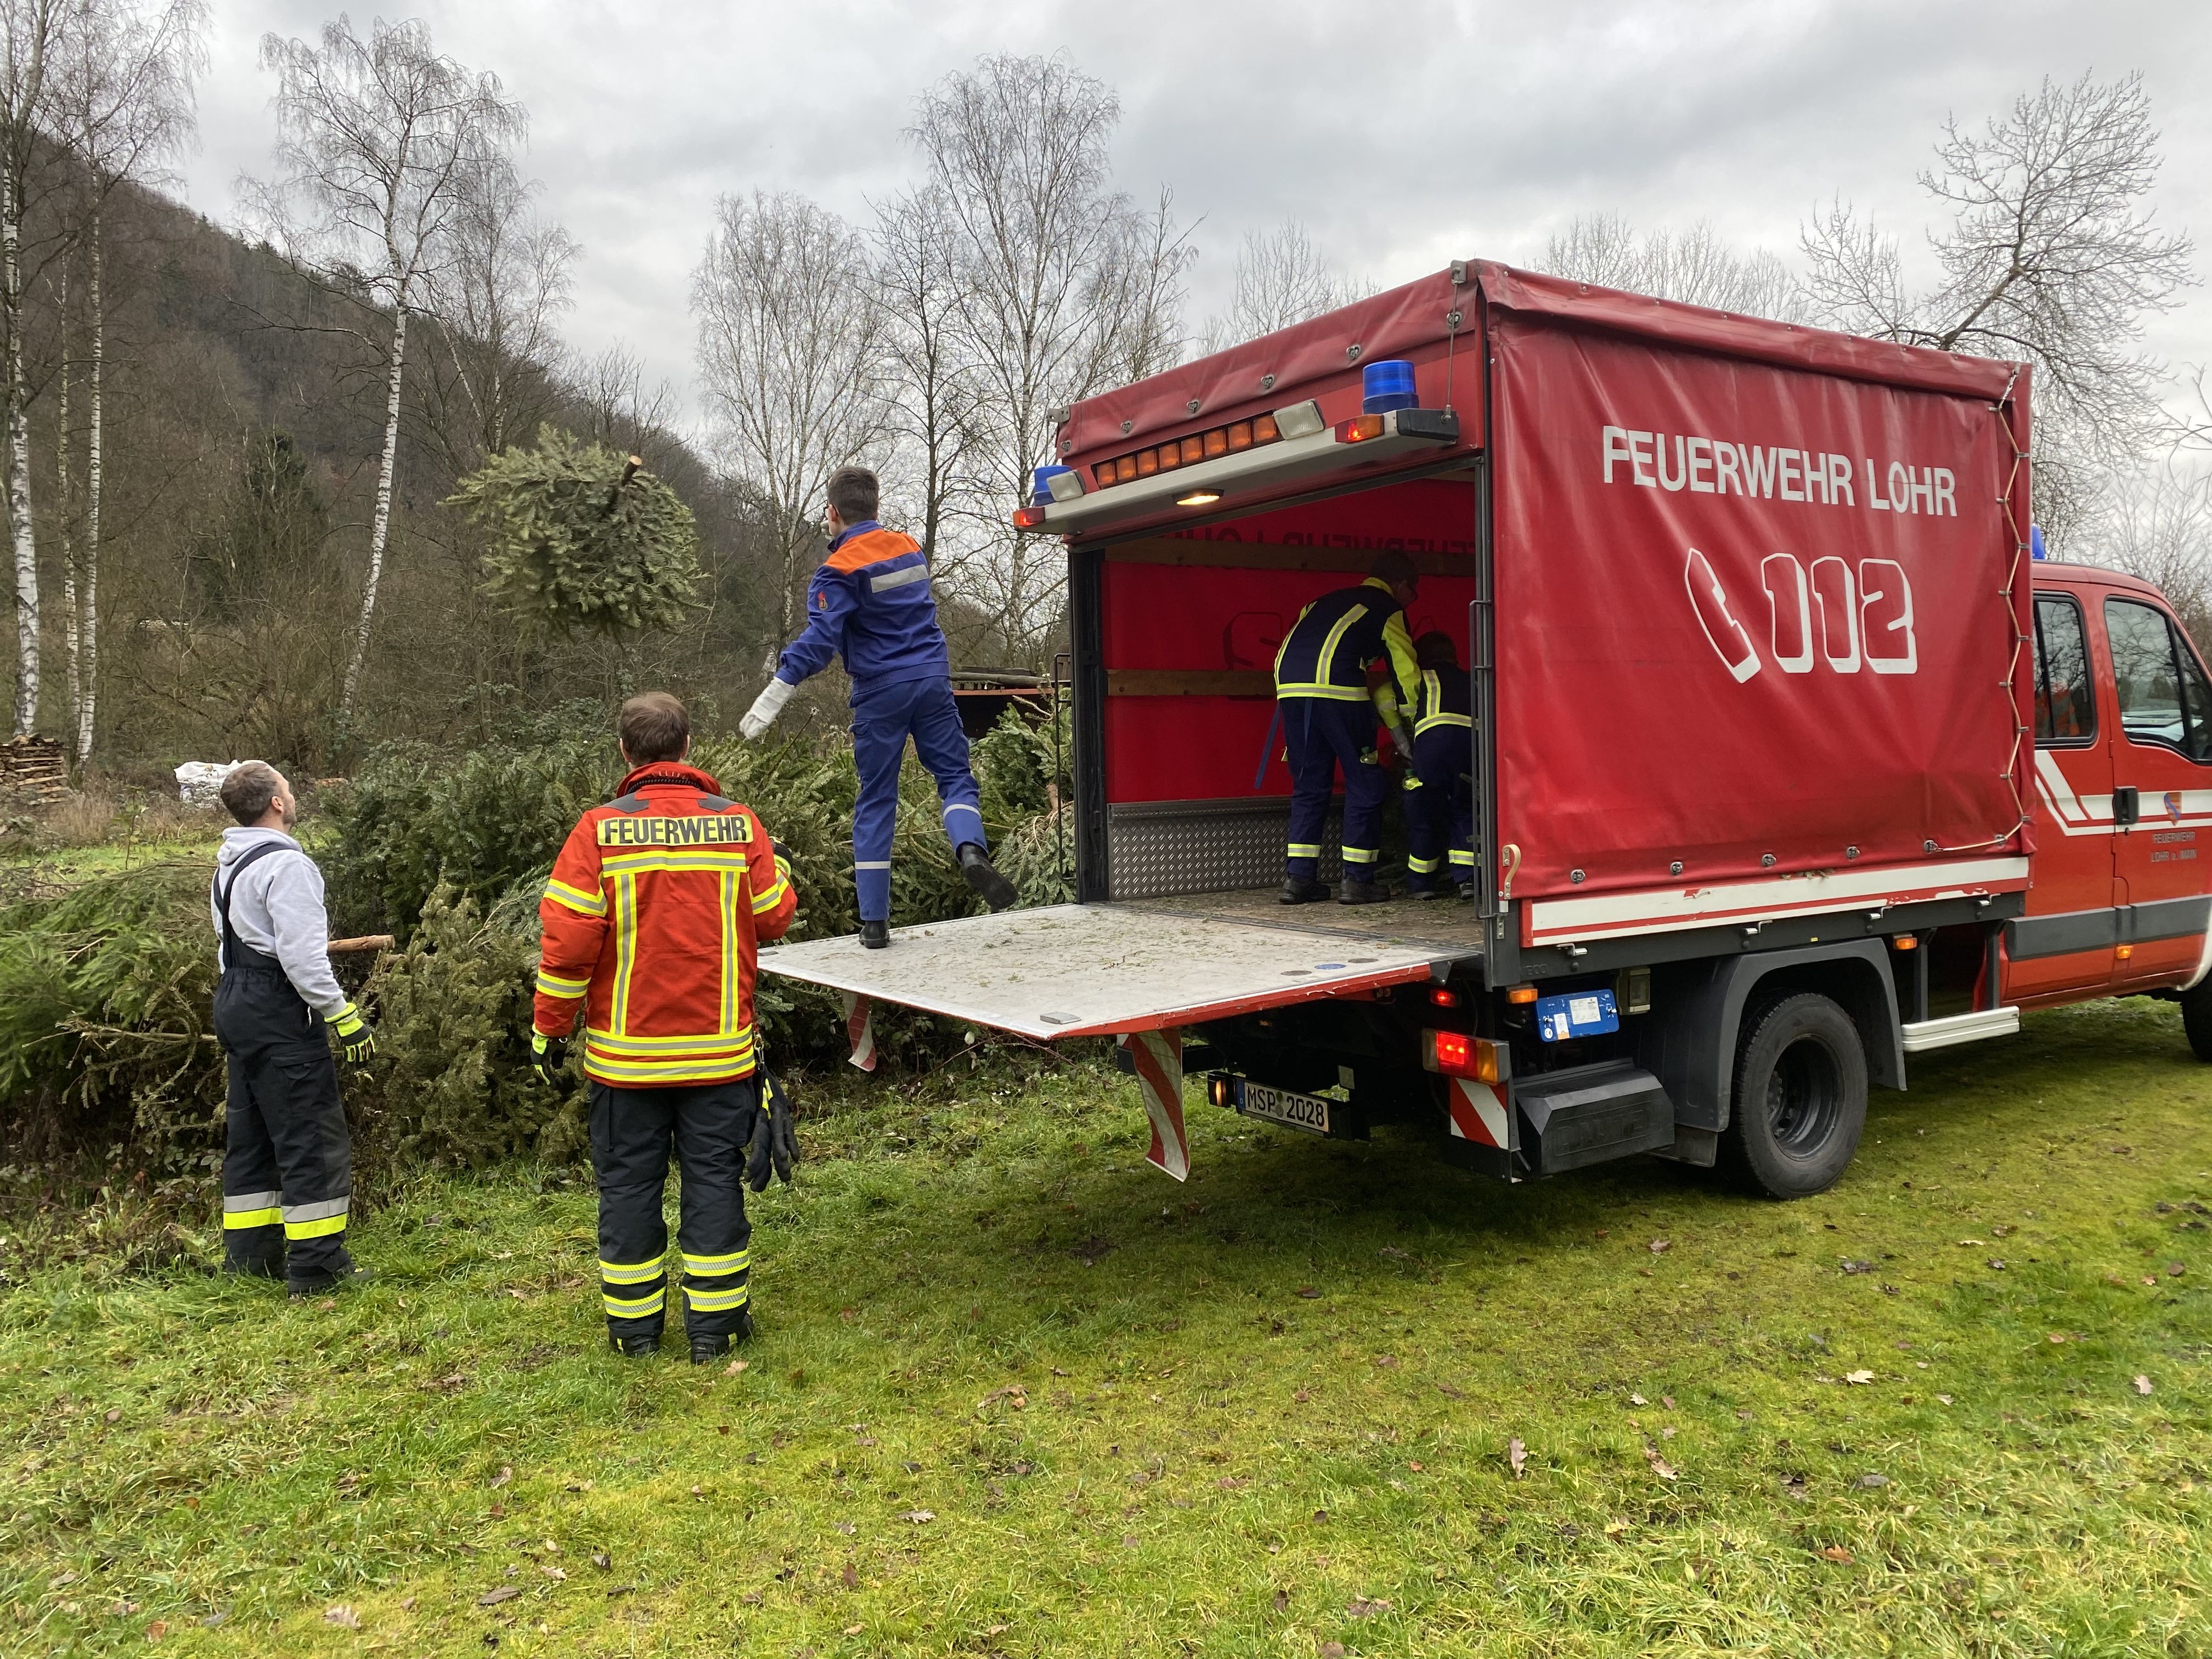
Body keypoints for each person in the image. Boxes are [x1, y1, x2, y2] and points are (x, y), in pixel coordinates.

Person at [531, 692, 800, 1363]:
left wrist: (550, 1029)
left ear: (626, 752)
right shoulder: (737, 824)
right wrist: (781, 870)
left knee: (627, 1187)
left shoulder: (597, 831)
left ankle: (634, 1334)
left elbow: (567, 948)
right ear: (687, 747)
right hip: (720, 1057)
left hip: (626, 1064)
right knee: (714, 1183)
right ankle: (715, 1330)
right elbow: (773, 916)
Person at [738, 465, 1015, 949]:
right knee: (954, 776)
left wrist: (779, 687)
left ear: (832, 512)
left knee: (877, 799)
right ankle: (971, 851)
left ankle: (874, 924)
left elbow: (821, 641)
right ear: (876, 505)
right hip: (931, 679)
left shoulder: (838, 569)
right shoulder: (909, 548)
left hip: (880, 690)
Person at [211, 761, 374, 1295]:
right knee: (310, 1136)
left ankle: (251, 1260)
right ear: (277, 803)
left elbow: (230, 945)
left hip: (235, 1000)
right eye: (288, 786)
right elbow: (302, 958)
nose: (293, 792)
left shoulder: (230, 864)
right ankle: (317, 1267)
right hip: (277, 1006)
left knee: (253, 1136)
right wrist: (343, 1016)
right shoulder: (288, 866)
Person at [1273, 550, 1425, 905]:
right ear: (1401, 585)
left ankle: (1299, 880)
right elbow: (1406, 672)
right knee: (1365, 781)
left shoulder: (1321, 602)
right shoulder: (1387, 608)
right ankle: (1357, 881)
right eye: (1413, 592)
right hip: (1337, 688)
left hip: (1290, 689)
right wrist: (1416, 723)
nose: (1411, 600)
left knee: (1309, 784)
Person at [1401, 630, 1476, 900]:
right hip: (1470, 748)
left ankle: (1422, 884)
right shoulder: (1472, 679)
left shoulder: (1421, 677)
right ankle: (1468, 881)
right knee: (1464, 809)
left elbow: (1391, 697)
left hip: (1432, 746)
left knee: (1424, 813)